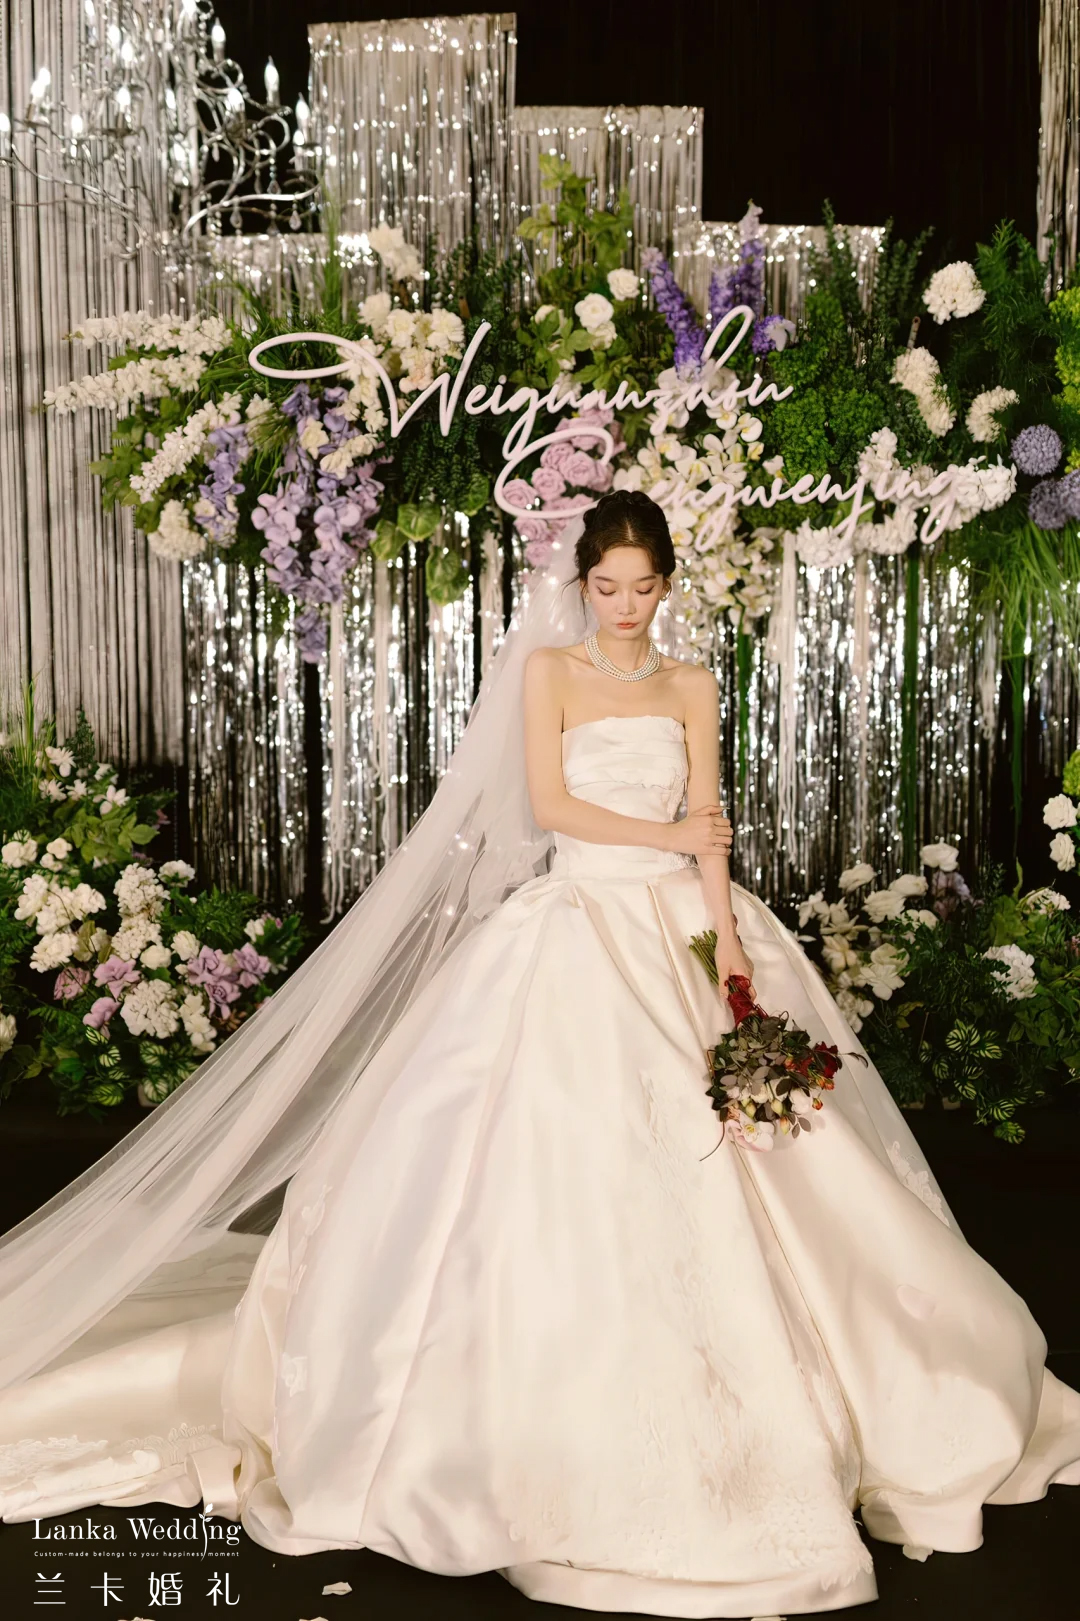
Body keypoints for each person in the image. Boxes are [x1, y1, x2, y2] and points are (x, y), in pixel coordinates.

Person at [0, 489, 1078, 1619]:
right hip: (577, 925)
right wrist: (670, 837)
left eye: (643, 588)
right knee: (551, 1151)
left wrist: (730, 955)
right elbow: (557, 804)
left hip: (680, 919)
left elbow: (712, 826)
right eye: (606, 587)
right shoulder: (552, 674)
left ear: (668, 585)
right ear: (584, 585)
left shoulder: (692, 684)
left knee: (769, 1159)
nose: (624, 606)